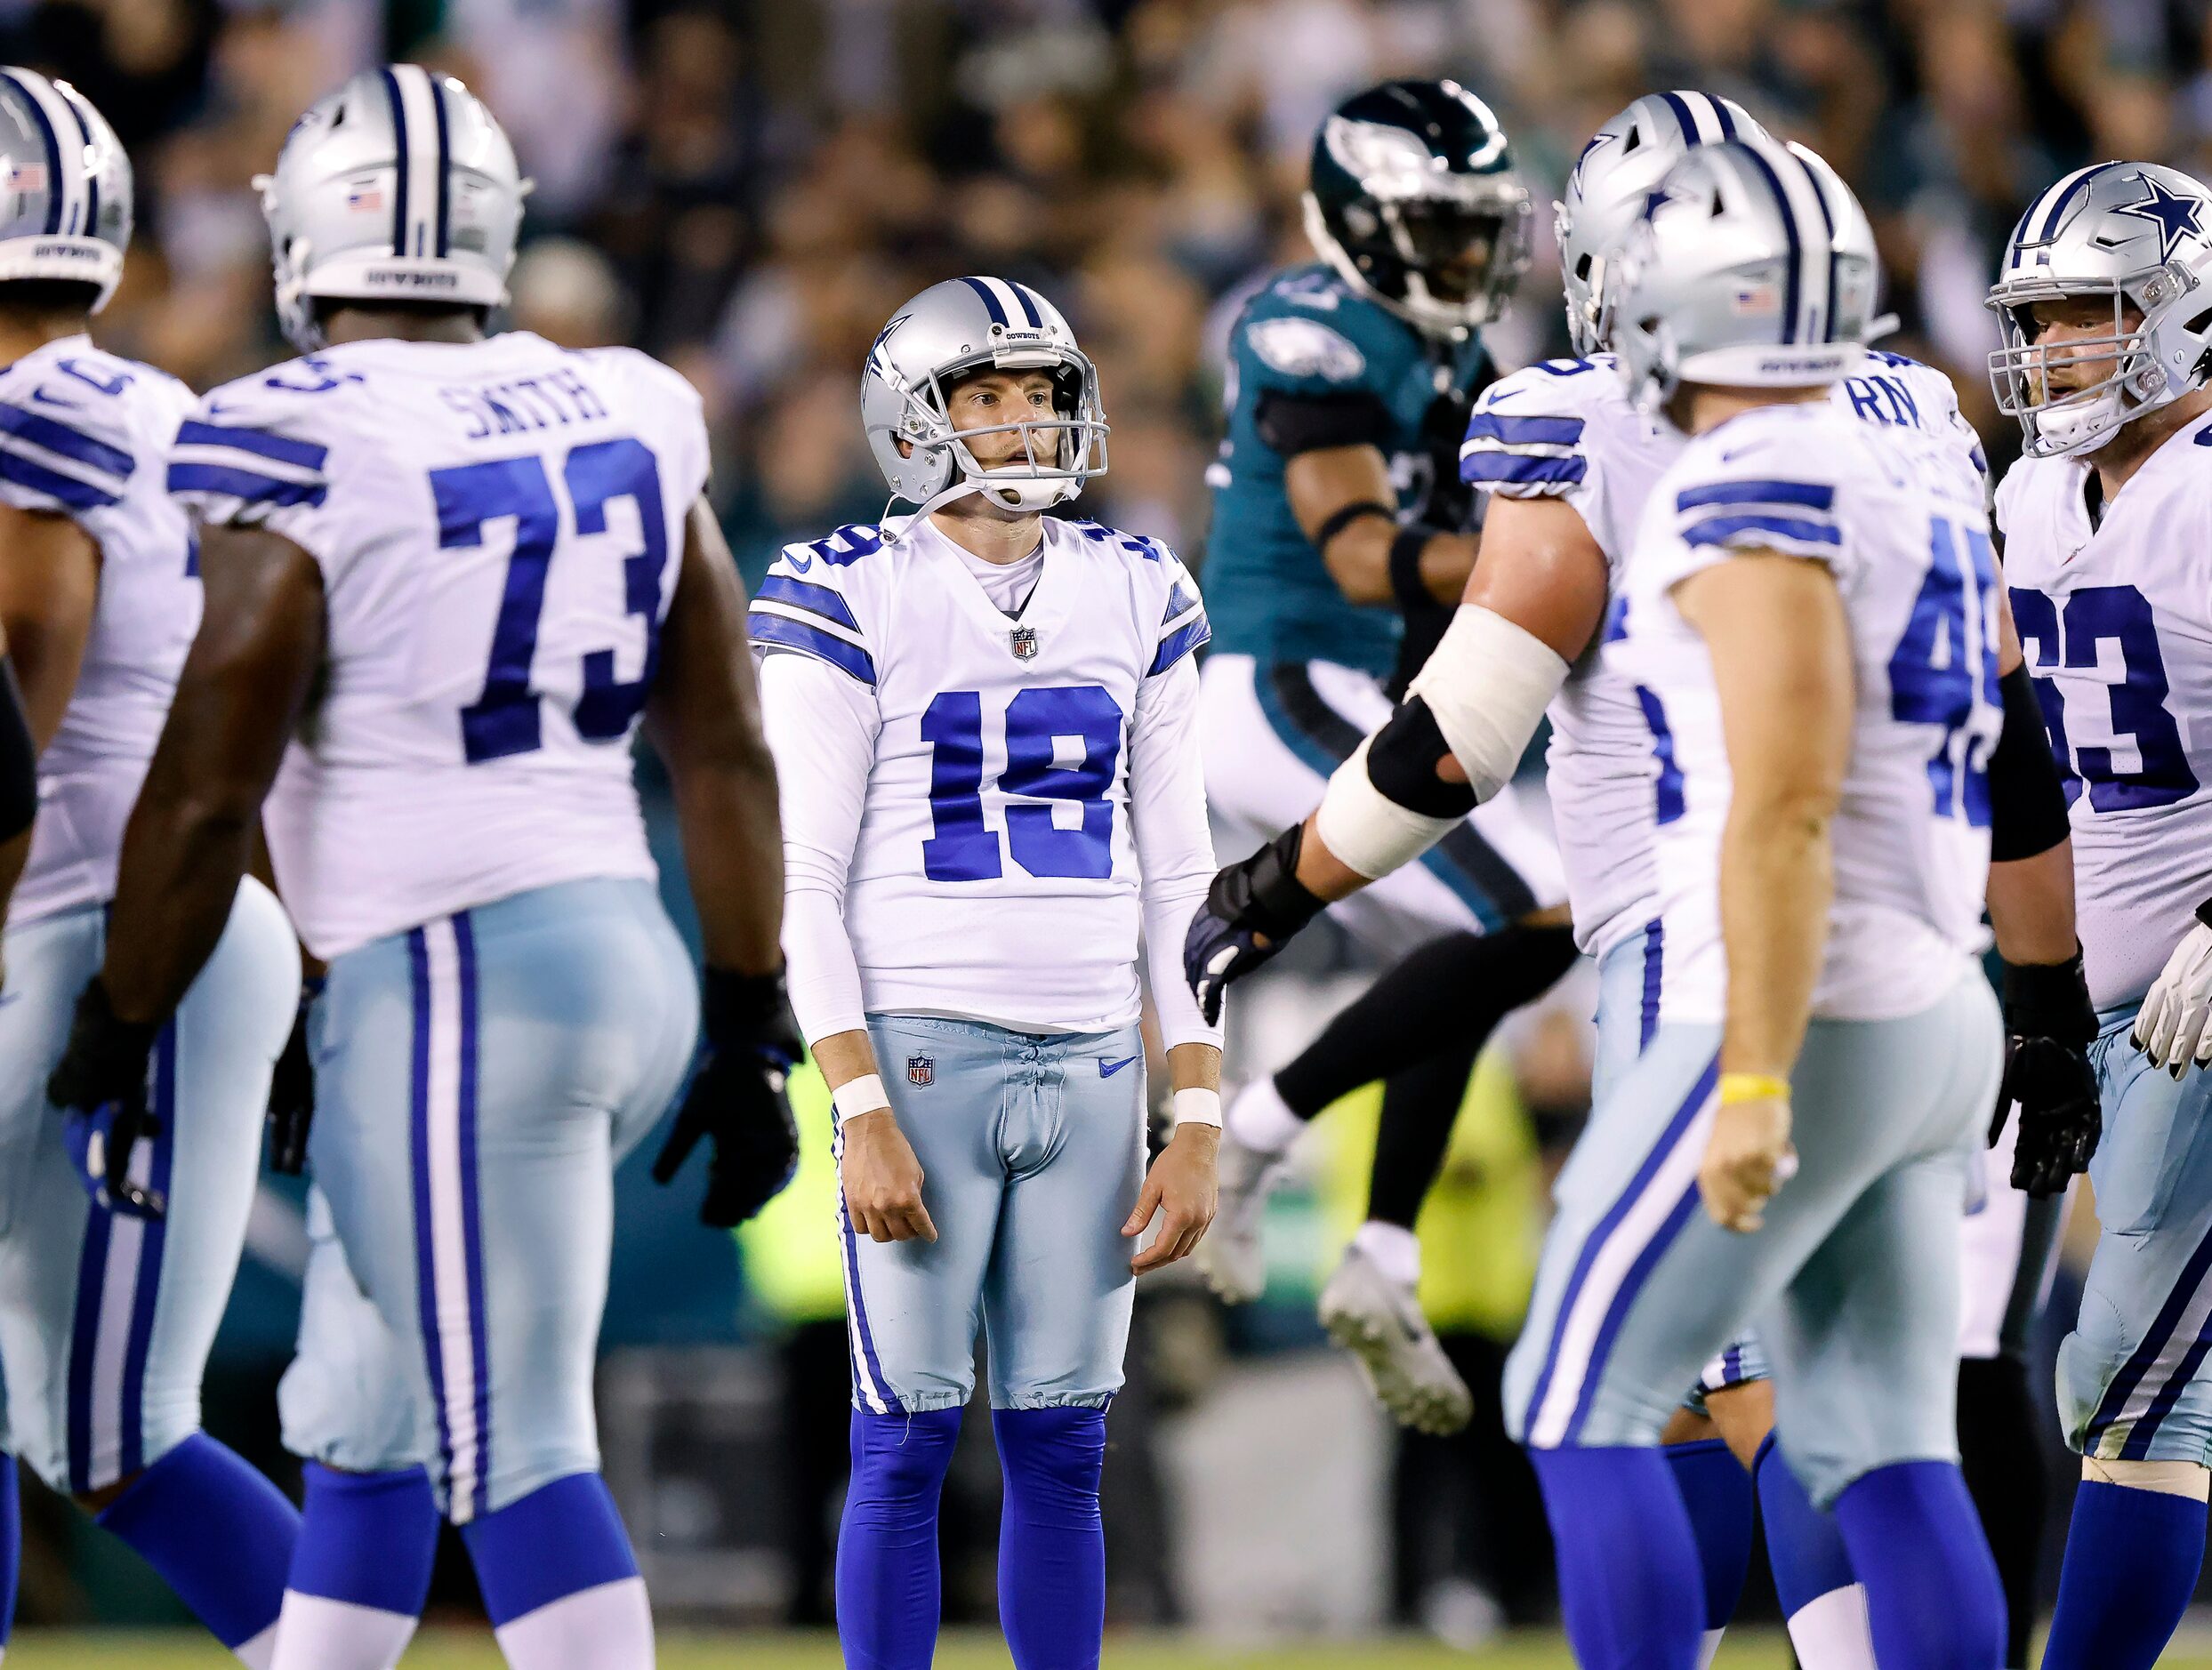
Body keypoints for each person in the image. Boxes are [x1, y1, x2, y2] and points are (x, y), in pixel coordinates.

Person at [1188, 97, 2097, 1670]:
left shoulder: (1642, 431)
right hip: (1941, 987)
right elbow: (2020, 748)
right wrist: (2048, 1000)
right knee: (1873, 1434)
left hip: (1729, 972)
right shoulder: (1925, 428)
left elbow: (1461, 739)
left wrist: (1280, 883)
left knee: (1574, 1391)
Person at [45, 65, 799, 1670]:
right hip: (617, 949)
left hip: (456, 977)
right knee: (366, 1415)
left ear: (309, 235)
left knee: (517, 1449)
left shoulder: (292, 431)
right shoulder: (631, 400)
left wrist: (122, 1018)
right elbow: (724, 742)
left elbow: (204, 782)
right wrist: (749, 1008)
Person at [752, 274, 1221, 1670]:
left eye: (1040, 393)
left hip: (1095, 1057)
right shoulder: (846, 587)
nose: (1023, 423)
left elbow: (1186, 881)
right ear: (916, 416)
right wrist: (857, 1102)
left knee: (1065, 1445)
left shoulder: (1141, 585)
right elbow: (803, 882)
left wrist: (1195, 1111)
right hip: (922, 1047)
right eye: (986, 396)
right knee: (899, 1444)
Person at [1196, 78, 1575, 1431]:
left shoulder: (1452, 351)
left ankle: (1382, 1249)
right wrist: (1576, 551)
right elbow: (1362, 552)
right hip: (1281, 675)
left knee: (1481, 939)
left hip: (1368, 676)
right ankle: (1254, 1136)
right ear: (1360, 220)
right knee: (1536, 908)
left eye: (1481, 225)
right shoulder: (1309, 329)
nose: (1468, 254)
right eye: (1438, 225)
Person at [0, 67, 307, 1666]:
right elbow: (234, 723)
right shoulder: (166, 412)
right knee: (110, 1434)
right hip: (186, 916)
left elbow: (18, 678)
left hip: (80, 928)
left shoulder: (23, 421)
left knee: (107, 1425)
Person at [1989, 159, 2212, 1670]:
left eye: (2093, 313)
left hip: (2201, 993)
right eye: (2044, 319)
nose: (2060, 349)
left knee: (2132, 1371)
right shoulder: (2027, 493)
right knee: (2111, 1373)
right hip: (2092, 999)